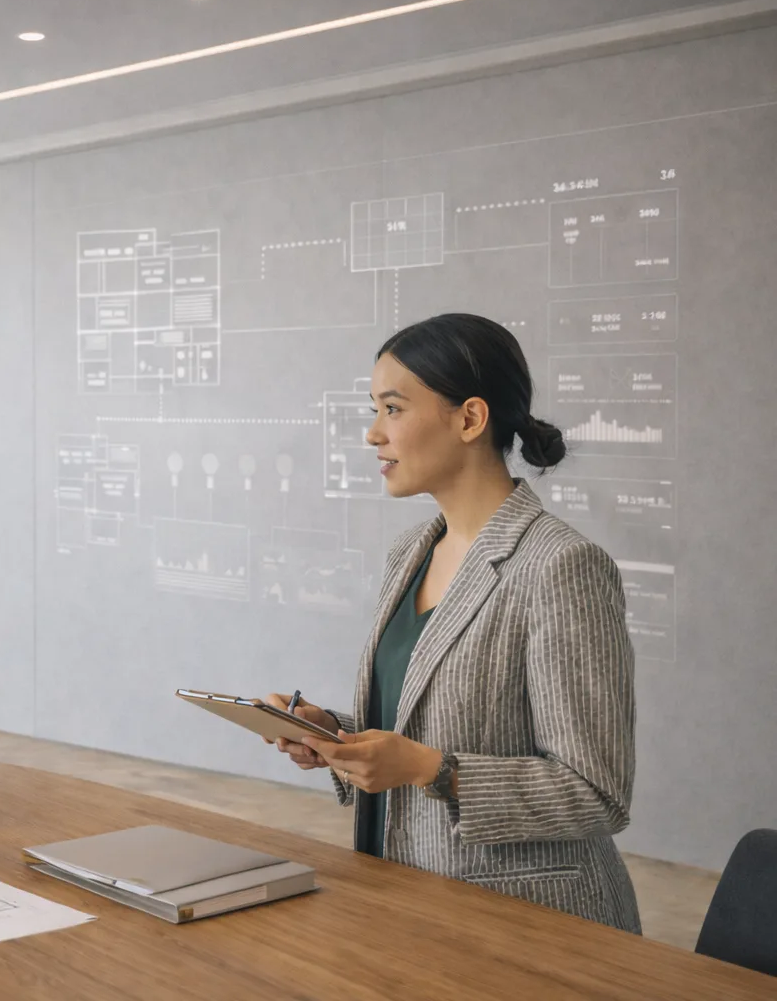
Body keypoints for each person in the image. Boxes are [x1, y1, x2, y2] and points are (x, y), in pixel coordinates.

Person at [265, 313, 639, 932]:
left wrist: (425, 770)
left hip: (529, 930)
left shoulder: (562, 567)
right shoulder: (409, 552)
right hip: (404, 899)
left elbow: (596, 793)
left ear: (469, 419)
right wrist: (333, 730)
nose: (371, 434)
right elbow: (428, 722)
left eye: (392, 408)